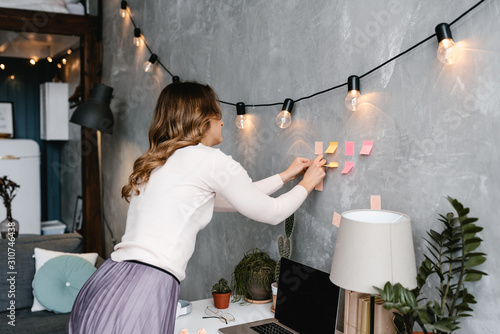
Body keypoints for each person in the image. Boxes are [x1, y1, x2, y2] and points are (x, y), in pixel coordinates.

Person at [68, 81, 326, 334]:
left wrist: (284, 176)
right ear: (201, 119)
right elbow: (273, 213)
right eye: (217, 115)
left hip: (109, 278)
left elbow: (237, 200)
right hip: (146, 284)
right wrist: (308, 182)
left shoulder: (160, 162)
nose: (223, 122)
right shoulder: (211, 161)